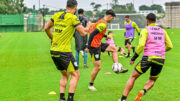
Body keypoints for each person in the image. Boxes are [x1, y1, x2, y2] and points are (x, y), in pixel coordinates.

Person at [44, 0, 91, 101]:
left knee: (66, 74)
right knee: (76, 75)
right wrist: (88, 26)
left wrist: (52, 38)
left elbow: (46, 27)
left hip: (53, 51)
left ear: (66, 6)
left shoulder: (57, 15)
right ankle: (70, 99)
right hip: (64, 52)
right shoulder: (73, 18)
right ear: (75, 8)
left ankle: (62, 98)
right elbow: (83, 33)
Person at [119, 13, 173, 101]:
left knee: (133, 77)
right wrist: (161, 51)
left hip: (148, 57)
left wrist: (133, 58)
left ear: (147, 21)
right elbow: (170, 46)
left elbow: (141, 45)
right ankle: (143, 91)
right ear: (155, 21)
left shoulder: (145, 30)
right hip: (160, 59)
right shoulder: (163, 31)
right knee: (152, 80)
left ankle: (123, 99)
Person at [87, 10, 128, 91]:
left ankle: (117, 65)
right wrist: (88, 47)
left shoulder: (100, 22)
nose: (111, 20)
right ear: (109, 16)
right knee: (98, 67)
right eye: (112, 19)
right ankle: (90, 85)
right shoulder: (102, 24)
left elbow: (95, 31)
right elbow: (92, 34)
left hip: (98, 43)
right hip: (94, 46)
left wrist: (106, 36)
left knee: (114, 49)